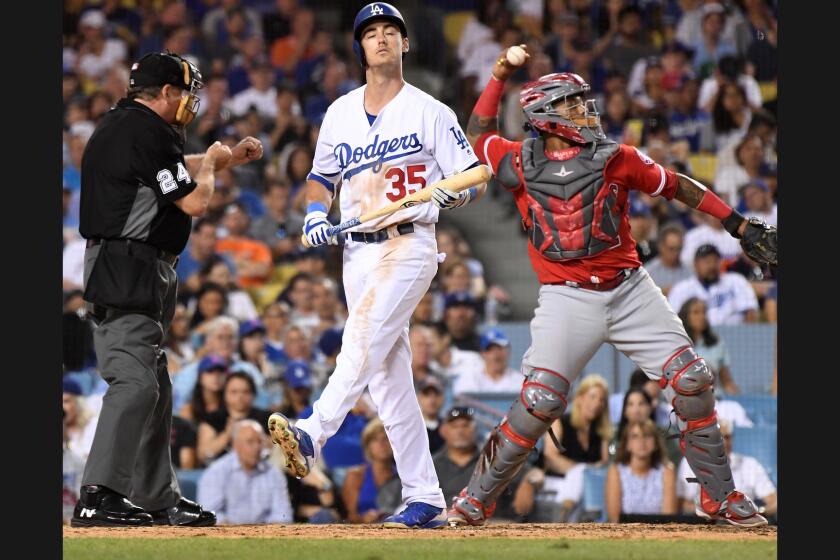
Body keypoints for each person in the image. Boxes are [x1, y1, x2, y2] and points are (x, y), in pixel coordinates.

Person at [447, 44, 775, 528]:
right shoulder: (516, 162)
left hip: (629, 288)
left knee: (693, 380)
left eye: (583, 101)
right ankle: (473, 500)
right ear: (543, 115)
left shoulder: (616, 156)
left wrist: (736, 225)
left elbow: (676, 184)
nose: (585, 111)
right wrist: (498, 73)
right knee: (540, 401)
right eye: (572, 104)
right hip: (565, 296)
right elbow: (478, 134)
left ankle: (719, 496)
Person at [268, 3, 486, 530]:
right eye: (372, 33)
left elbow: (475, 176)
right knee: (389, 384)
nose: (382, 39)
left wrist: (445, 194)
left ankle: (312, 432)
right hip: (356, 250)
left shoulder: (431, 110)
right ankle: (426, 497)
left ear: (405, 45)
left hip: (409, 244)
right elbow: (321, 177)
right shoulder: (341, 112)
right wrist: (317, 211)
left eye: (391, 31)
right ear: (360, 48)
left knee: (361, 336)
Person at [74, 51, 263, 528]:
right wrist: (214, 168)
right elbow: (195, 199)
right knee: (135, 383)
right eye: (186, 92)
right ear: (166, 93)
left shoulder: (129, 127)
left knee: (155, 385)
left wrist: (221, 158)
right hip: (127, 266)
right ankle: (99, 494)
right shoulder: (148, 131)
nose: (190, 102)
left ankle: (157, 498)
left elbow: (169, 175)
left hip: (134, 263)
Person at [197, 419, 293, 524]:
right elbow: (209, 514)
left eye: (260, 442)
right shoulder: (216, 473)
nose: (256, 447)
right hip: (227, 536)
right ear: (235, 445)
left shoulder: (273, 474)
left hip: (265, 536)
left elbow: (283, 515)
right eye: (250, 442)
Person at [677, 419, 777, 520]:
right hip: (702, 524)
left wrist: (756, 512)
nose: (723, 443)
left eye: (727, 437)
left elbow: (774, 501)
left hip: (743, 527)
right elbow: (681, 504)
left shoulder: (750, 465)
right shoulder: (689, 463)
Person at [605, 419, 678, 522]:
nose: (641, 441)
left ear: (656, 443)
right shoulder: (616, 471)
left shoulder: (667, 472)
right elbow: (614, 519)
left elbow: (669, 519)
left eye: (647, 436)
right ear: (628, 444)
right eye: (635, 436)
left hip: (658, 535)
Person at [669, 244, 759, 326]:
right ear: (695, 265)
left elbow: (751, 312)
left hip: (734, 338)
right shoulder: (681, 289)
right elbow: (673, 321)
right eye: (707, 261)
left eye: (715, 260)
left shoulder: (736, 281)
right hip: (696, 340)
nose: (712, 266)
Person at [197, 372, 273, 466]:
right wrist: (227, 435)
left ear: (253, 394)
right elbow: (203, 454)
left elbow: (277, 449)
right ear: (225, 394)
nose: (240, 397)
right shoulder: (212, 419)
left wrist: (259, 439)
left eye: (245, 392)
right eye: (234, 392)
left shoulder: (267, 418)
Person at [341, 418, 398, 524]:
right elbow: (350, 516)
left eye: (386, 438)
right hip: (363, 532)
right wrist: (364, 518)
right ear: (368, 446)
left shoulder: (403, 477)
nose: (381, 444)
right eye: (375, 440)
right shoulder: (356, 475)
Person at [678, 297, 740, 394]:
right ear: (685, 316)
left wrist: (738, 399)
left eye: (704, 312)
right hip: (683, 400)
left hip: (715, 399)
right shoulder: (678, 344)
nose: (702, 316)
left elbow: (727, 381)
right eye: (696, 312)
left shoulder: (717, 343)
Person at [452, 327, 522, 396]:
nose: (496, 353)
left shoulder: (520, 381)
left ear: (508, 351)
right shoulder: (469, 379)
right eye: (490, 349)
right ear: (482, 354)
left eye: (499, 348)